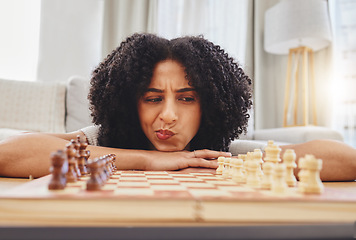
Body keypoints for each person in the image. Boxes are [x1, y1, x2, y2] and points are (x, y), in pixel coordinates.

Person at [0, 33, 355, 181]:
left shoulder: (218, 152)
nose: (167, 114)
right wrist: (147, 159)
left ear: (210, 106)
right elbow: (9, 154)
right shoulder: (100, 141)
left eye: (186, 98)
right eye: (153, 98)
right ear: (129, 104)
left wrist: (244, 163)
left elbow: (344, 159)